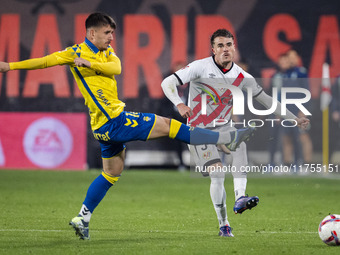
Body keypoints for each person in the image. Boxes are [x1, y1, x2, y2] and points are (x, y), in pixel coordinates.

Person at [0, 13, 258, 240]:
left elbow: (117, 67)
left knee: (112, 172)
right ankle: (227, 138)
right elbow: (45, 61)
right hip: (115, 120)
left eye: (112, 33)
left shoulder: (105, 54)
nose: (111, 38)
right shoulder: (74, 53)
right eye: (107, 33)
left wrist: (92, 64)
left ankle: (83, 218)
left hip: (102, 128)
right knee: (169, 125)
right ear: (92, 32)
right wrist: (10, 66)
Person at [161, 29, 310, 237]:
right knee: (218, 174)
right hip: (198, 131)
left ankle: (240, 197)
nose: (225, 49)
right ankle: (224, 224)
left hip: (224, 128)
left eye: (229, 45)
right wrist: (179, 103)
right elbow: (167, 82)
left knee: (240, 142)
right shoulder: (198, 67)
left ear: (234, 47)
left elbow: (266, 100)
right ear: (213, 49)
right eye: (220, 46)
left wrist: (294, 118)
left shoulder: (241, 76)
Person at [282, 49, 313, 166]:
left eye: (294, 57)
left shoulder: (302, 72)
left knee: (303, 137)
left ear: (297, 58)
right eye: (289, 57)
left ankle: (307, 165)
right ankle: (287, 165)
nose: (291, 59)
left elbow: (307, 92)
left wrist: (303, 110)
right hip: (287, 111)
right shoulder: (285, 74)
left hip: (299, 112)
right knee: (287, 137)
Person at [268, 53, 291, 166]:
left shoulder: (293, 76)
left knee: (286, 138)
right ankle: (271, 162)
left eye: (285, 61)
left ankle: (286, 162)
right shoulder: (275, 76)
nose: (283, 64)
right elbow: (270, 94)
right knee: (273, 138)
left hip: (288, 112)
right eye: (281, 61)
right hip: (274, 111)